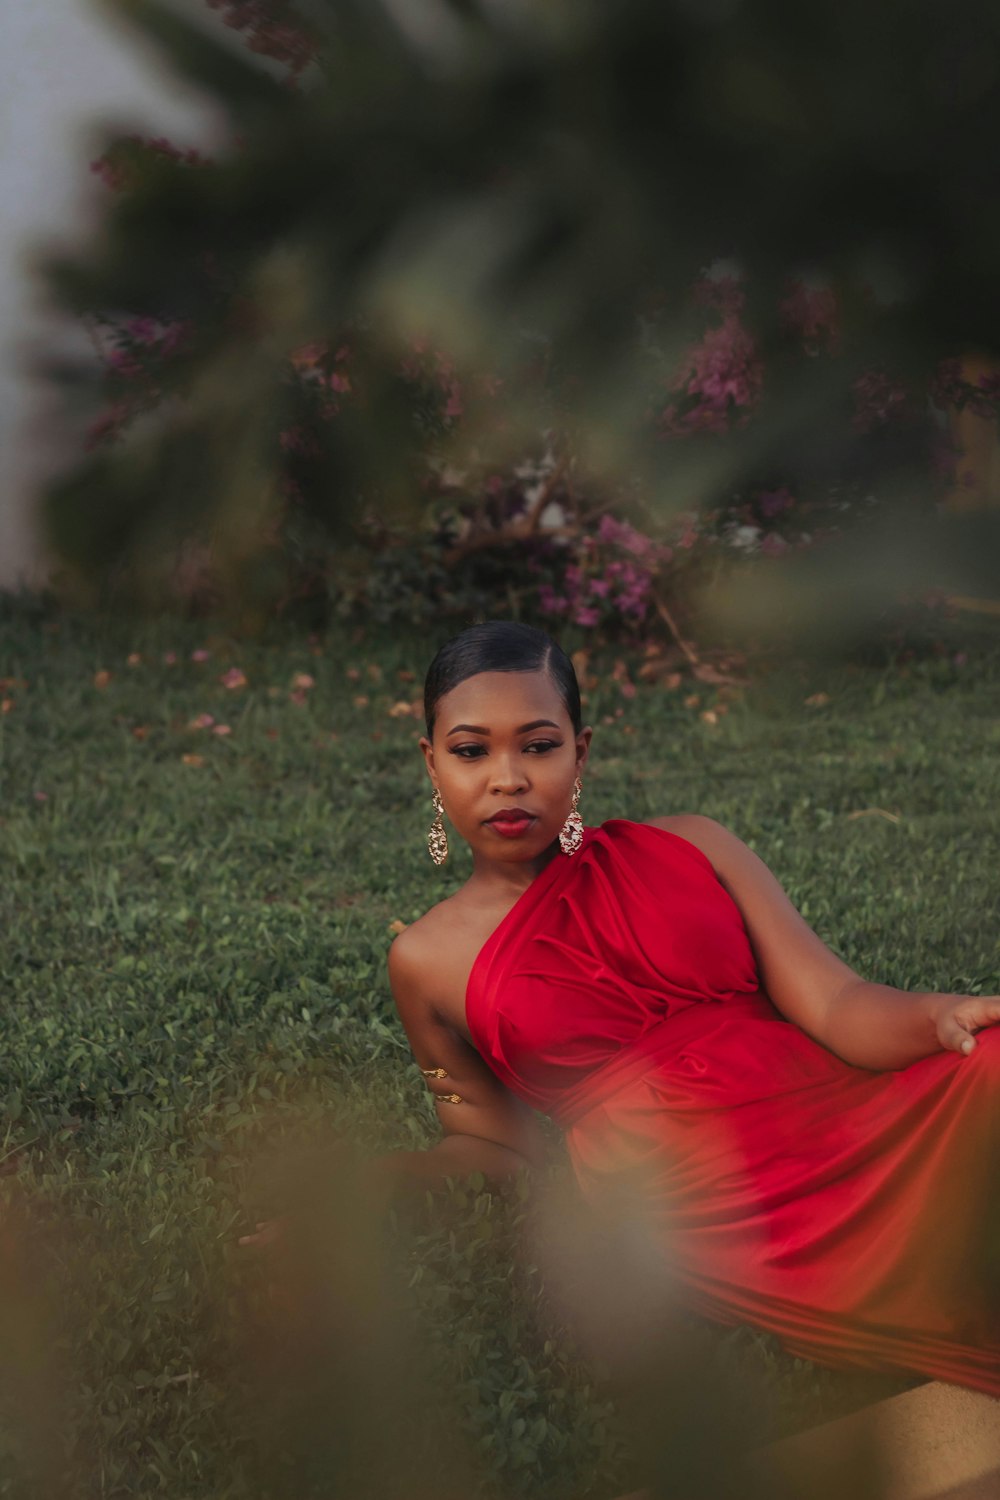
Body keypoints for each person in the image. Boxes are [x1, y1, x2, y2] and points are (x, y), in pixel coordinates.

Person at [381, 619, 1000, 1397]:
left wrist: (939, 1015)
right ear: (431, 763)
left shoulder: (692, 844)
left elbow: (837, 1001)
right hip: (694, 1198)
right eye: (472, 751)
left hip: (829, 1113)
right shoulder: (426, 961)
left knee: (996, 1056)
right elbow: (494, 1149)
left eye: (539, 745)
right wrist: (379, 1185)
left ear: (583, 752)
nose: (508, 778)